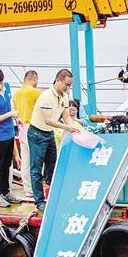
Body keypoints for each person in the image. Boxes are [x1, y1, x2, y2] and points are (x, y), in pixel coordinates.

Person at [28, 68, 79, 212]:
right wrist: (67, 128)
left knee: (52, 165)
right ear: (58, 81)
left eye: (70, 85)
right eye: (66, 85)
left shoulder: (63, 97)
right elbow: (49, 119)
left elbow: (66, 116)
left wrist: (73, 128)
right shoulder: (46, 97)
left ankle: (54, 194)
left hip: (49, 133)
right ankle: (39, 201)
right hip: (37, 133)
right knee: (36, 169)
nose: (67, 88)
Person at [0, 68, 20, 208]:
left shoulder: (6, 88)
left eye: (1, 83)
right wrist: (10, 114)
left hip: (9, 132)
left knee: (7, 164)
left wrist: (15, 119)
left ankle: (6, 192)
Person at [14, 70, 40, 199]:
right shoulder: (35, 92)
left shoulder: (16, 94)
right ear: (34, 79)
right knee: (36, 161)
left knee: (26, 161)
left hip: (22, 128)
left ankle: (28, 190)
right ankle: (35, 189)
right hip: (34, 128)